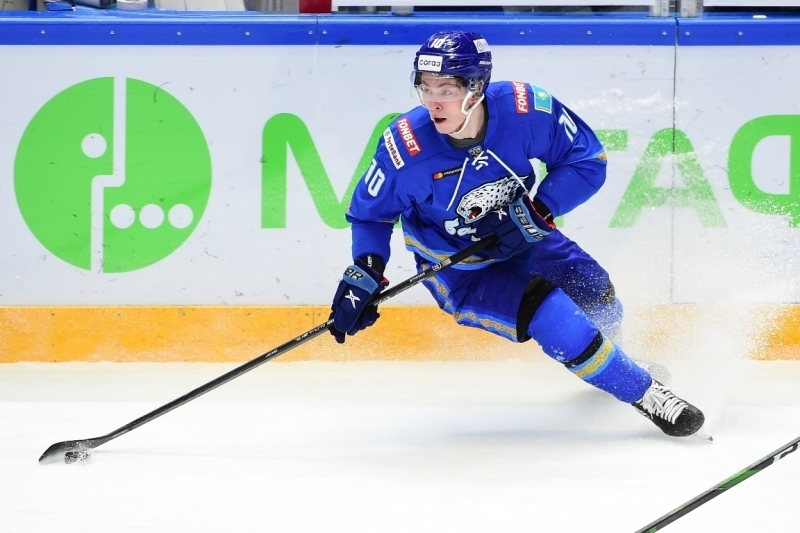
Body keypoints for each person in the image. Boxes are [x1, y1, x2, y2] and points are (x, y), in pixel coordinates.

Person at [328, 30, 705, 438]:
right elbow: (370, 217)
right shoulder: (405, 147)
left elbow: (587, 160)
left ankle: (616, 364)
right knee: (552, 313)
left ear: (476, 87)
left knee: (596, 291)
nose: (433, 101)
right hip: (462, 271)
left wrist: (539, 210)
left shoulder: (525, 109)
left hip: (526, 238)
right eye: (426, 87)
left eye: (447, 89)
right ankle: (645, 394)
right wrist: (367, 269)